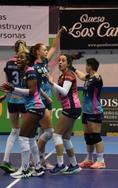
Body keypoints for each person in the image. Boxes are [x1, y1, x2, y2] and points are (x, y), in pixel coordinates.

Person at [0, 51, 46, 179]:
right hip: (34, 107)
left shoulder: (30, 72)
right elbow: (23, 93)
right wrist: (8, 92)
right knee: (31, 139)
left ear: (27, 61)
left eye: (21, 58)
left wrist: (13, 89)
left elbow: (31, 92)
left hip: (35, 108)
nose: (18, 59)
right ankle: (37, 168)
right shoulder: (24, 73)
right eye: (17, 57)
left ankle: (24, 170)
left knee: (22, 137)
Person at [29, 26, 66, 169]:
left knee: (42, 132)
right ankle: (36, 159)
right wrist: (47, 97)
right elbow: (36, 87)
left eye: (46, 49)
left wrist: (59, 34)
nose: (46, 51)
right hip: (41, 100)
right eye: (43, 49)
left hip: (47, 99)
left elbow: (54, 47)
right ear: (37, 52)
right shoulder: (34, 68)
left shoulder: (44, 62)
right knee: (49, 132)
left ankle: (40, 161)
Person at [46, 54, 82, 175]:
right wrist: (51, 85)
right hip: (71, 107)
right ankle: (74, 165)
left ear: (68, 63)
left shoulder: (69, 75)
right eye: (59, 60)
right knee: (65, 137)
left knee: (56, 135)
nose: (60, 62)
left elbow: (65, 91)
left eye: (63, 60)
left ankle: (61, 165)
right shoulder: (62, 77)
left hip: (72, 108)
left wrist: (53, 84)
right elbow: (58, 97)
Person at [0, 40, 29, 173]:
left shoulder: (8, 63)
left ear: (14, 49)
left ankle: (5, 160)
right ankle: (31, 164)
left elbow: (8, 83)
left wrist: (5, 95)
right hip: (24, 99)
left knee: (14, 130)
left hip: (11, 100)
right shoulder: (26, 63)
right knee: (28, 133)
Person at [71, 58, 105, 169]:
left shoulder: (97, 78)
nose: (85, 67)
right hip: (86, 111)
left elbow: (97, 78)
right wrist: (73, 68)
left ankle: (101, 160)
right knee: (88, 137)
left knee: (96, 136)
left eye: (86, 65)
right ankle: (89, 159)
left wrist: (96, 75)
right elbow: (81, 76)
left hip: (94, 111)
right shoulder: (89, 78)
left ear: (90, 66)